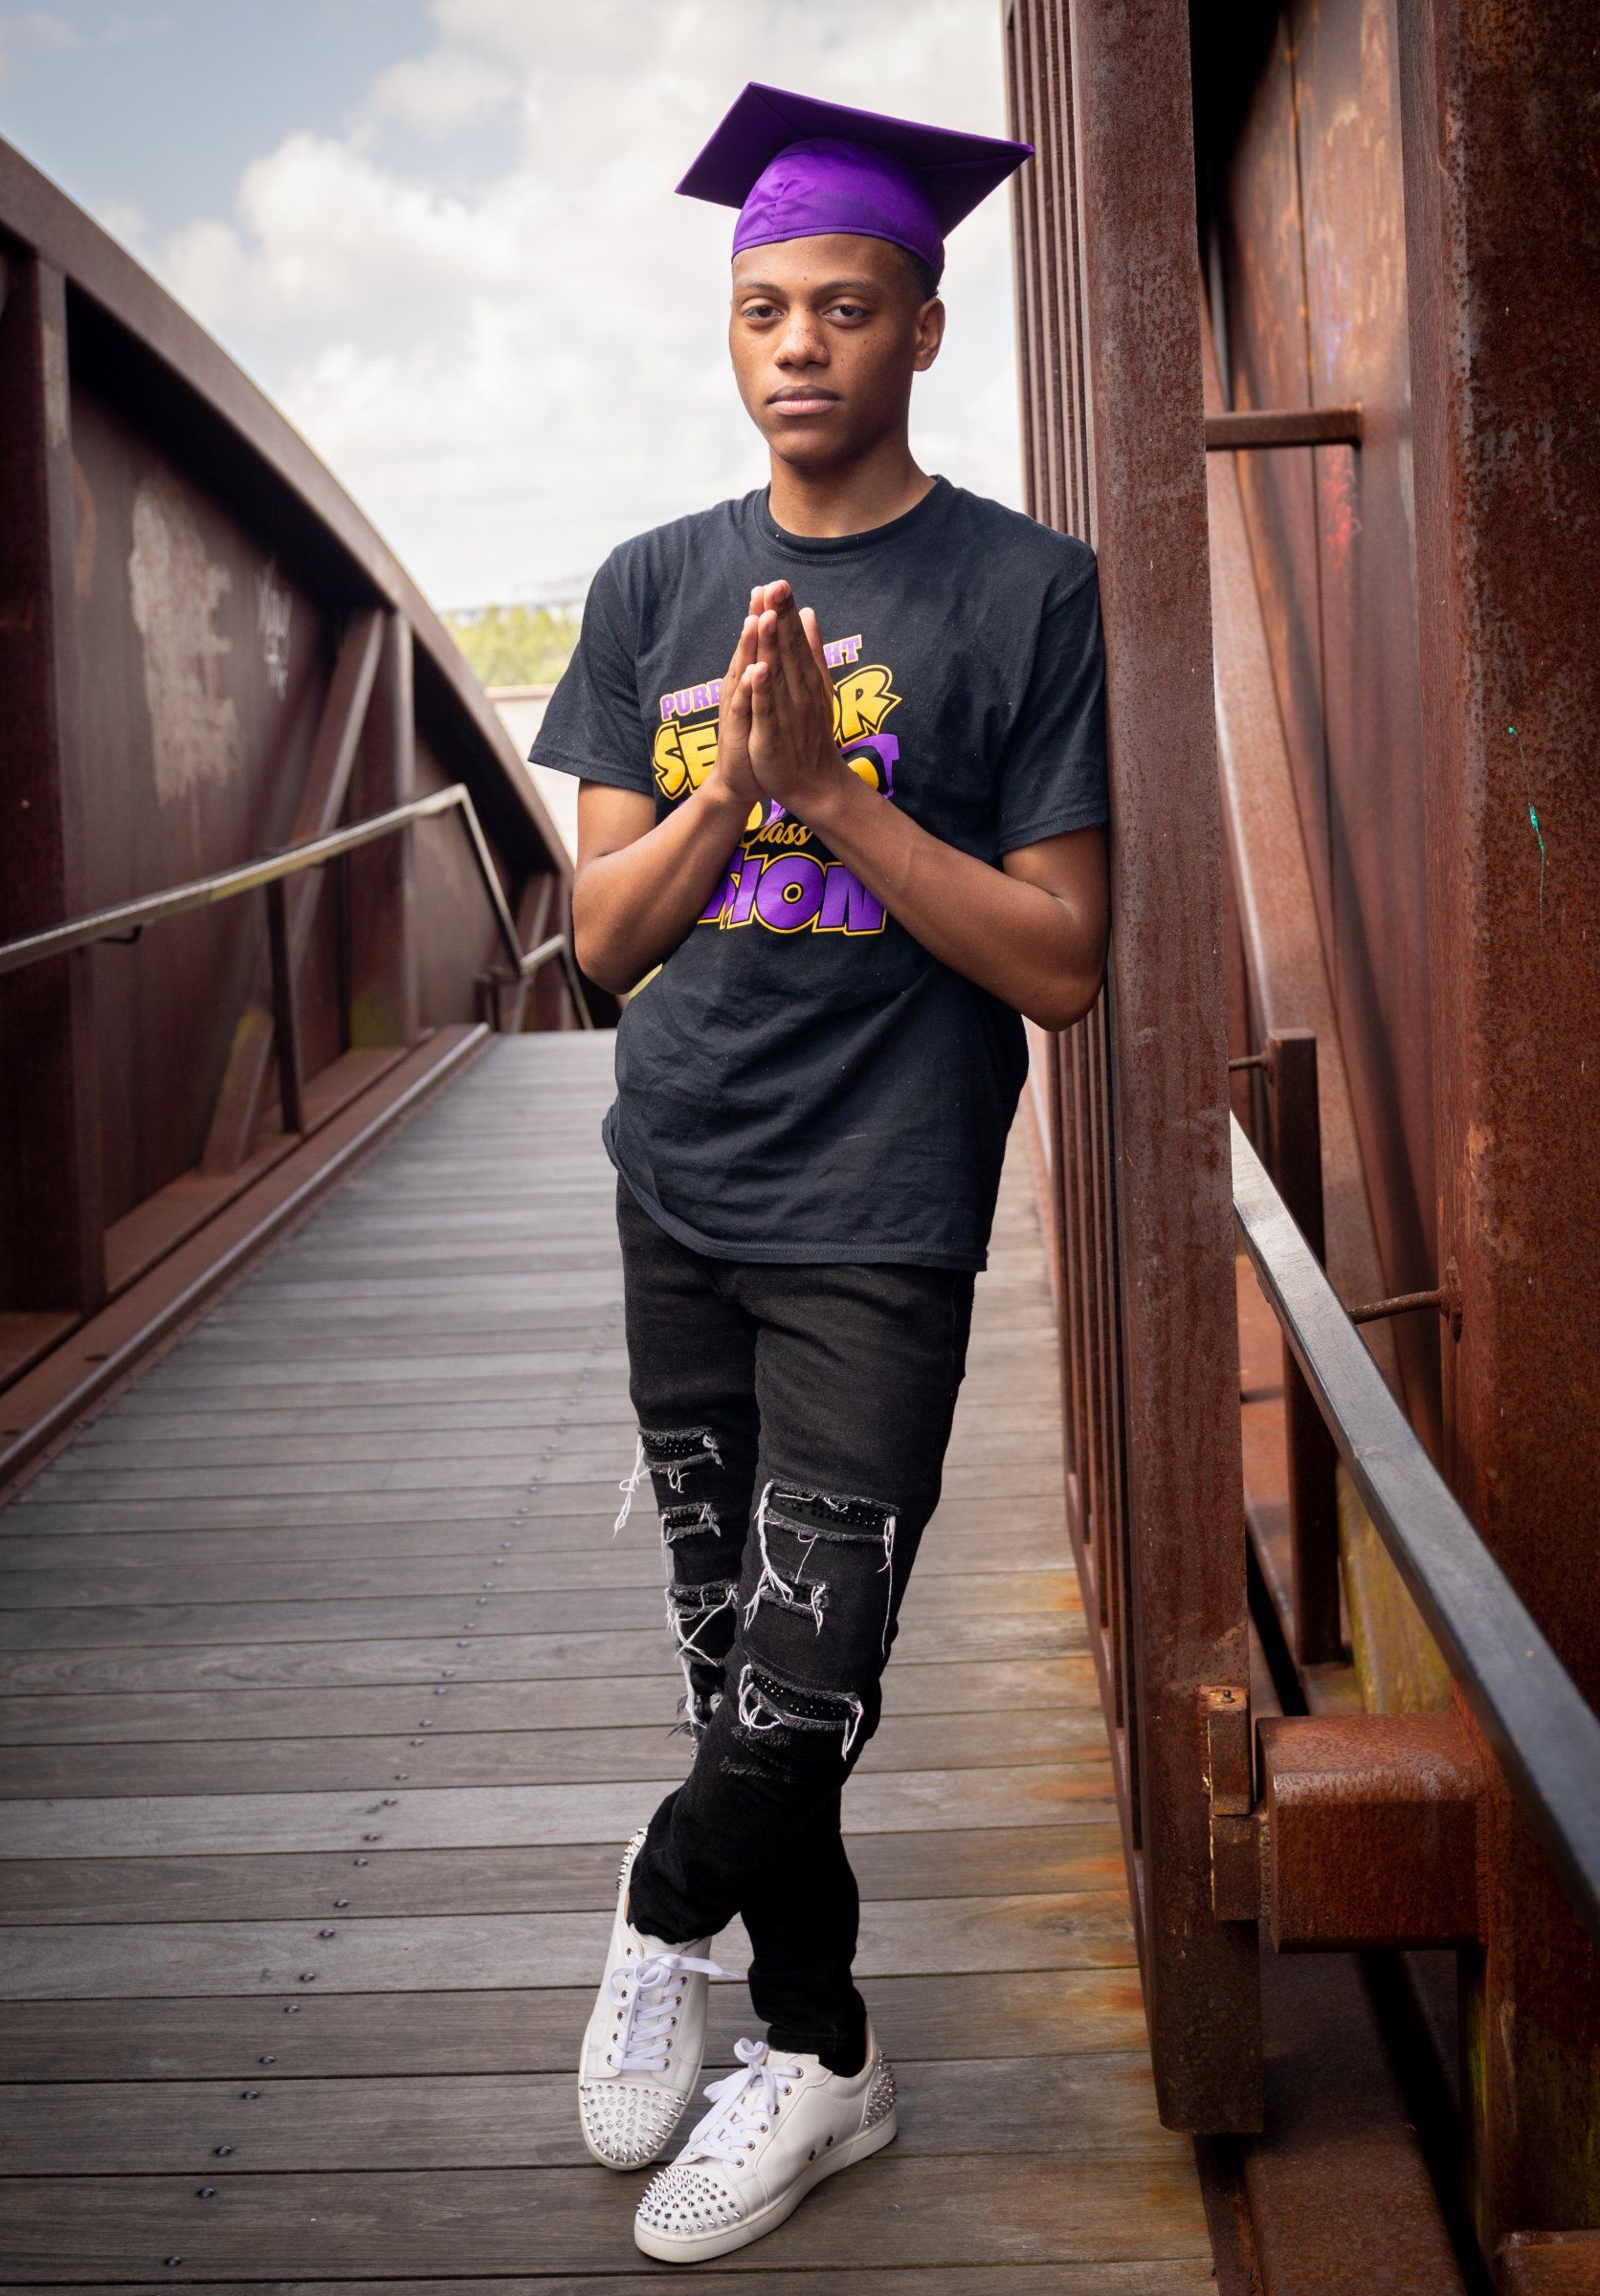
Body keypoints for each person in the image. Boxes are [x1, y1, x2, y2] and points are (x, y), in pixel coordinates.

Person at [529, 81, 1111, 2265]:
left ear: (923, 330)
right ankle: (826, 2049)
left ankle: (662, 1908)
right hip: (677, 1189)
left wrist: (846, 809)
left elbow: (1060, 961)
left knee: (810, 1680)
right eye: (765, 306)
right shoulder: (652, 581)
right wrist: (734, 800)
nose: (799, 345)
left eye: (846, 307)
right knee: (732, 1670)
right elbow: (599, 942)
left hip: (881, 1218)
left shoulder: (1025, 594)